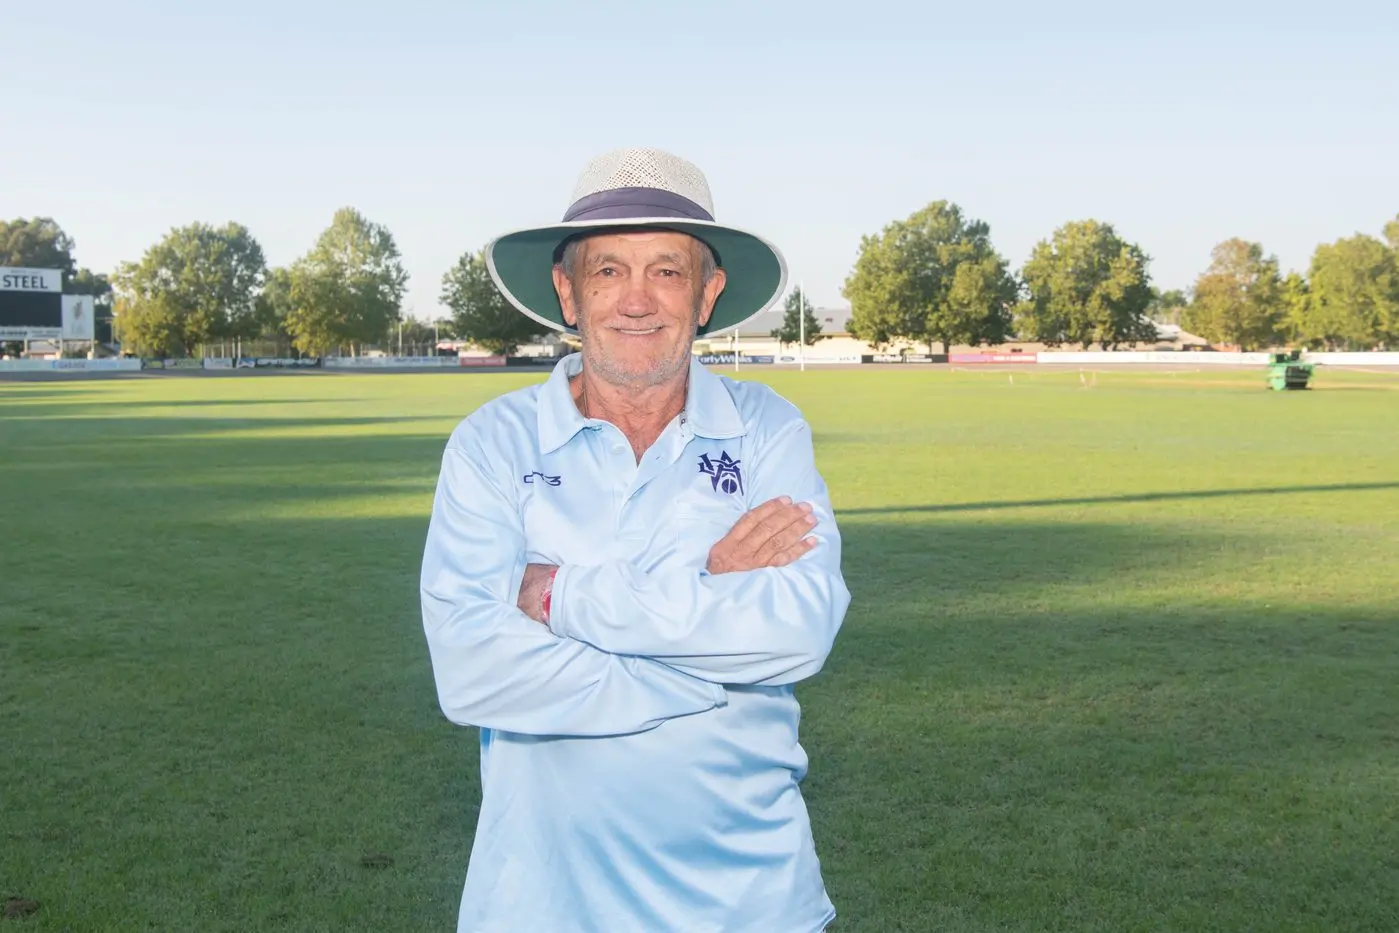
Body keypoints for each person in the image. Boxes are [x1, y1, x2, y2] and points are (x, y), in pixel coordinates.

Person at [419, 147, 851, 933]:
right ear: (567, 290)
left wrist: (557, 594)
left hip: (751, 904)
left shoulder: (766, 428)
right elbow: (472, 671)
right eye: (609, 270)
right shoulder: (493, 442)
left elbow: (797, 630)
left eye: (667, 270)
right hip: (540, 906)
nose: (637, 300)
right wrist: (707, 616)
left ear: (708, 291)